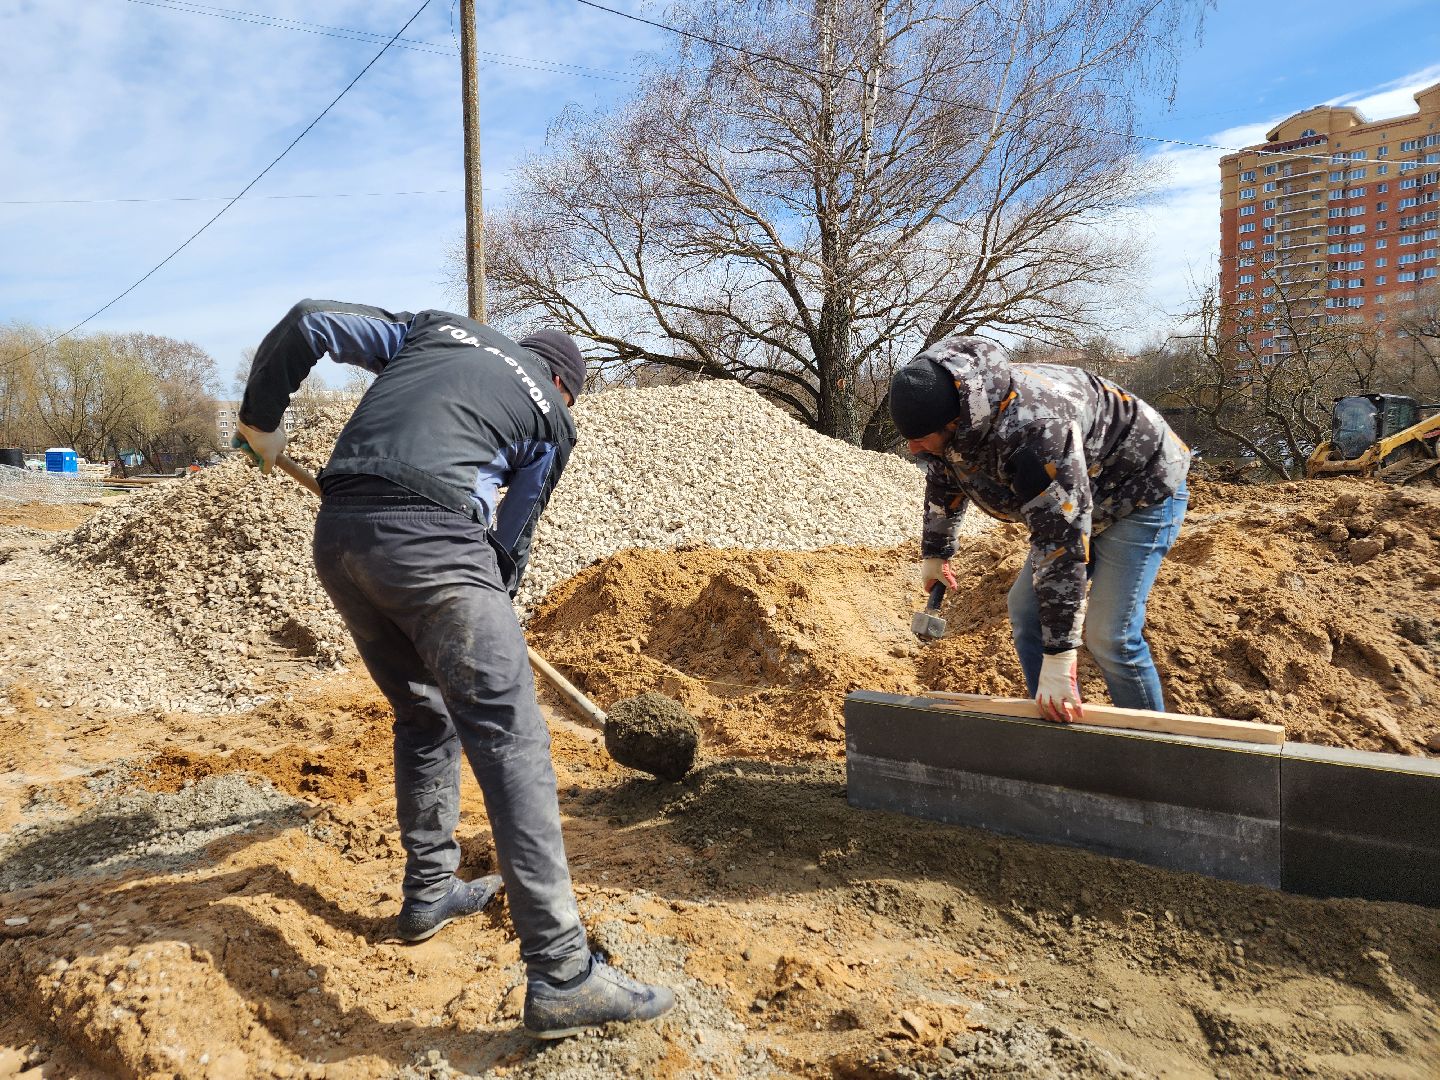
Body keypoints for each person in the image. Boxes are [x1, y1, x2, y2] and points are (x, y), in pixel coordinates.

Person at [235, 300, 674, 1039]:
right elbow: (512, 538)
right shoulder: (553, 419)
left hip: (343, 537)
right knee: (514, 738)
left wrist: (260, 422)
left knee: (426, 714)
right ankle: (564, 973)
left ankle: (430, 891)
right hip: (439, 540)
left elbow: (311, 321)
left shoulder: (438, 330)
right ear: (566, 386)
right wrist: (478, 610)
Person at [889, 336, 1190, 723]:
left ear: (954, 422)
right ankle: (1057, 734)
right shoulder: (957, 409)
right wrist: (936, 551)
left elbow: (1060, 542)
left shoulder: (1036, 430)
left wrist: (1060, 655)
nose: (913, 449)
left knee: (1108, 635)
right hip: (1079, 491)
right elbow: (946, 473)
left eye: (920, 439)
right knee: (1025, 611)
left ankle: (1155, 755)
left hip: (1141, 489)